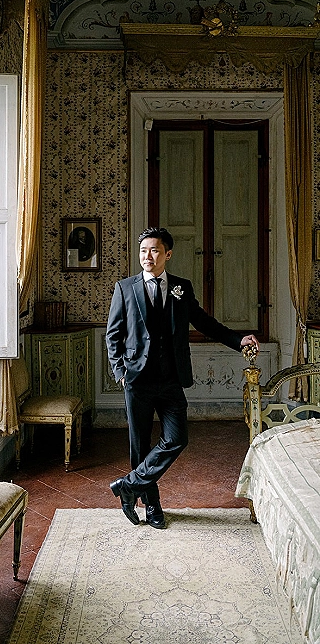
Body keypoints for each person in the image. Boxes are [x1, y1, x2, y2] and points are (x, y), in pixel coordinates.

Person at [106, 226, 259, 530]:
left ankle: (129, 486)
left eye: (154, 250)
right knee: (140, 446)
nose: (147, 256)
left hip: (171, 378)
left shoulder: (181, 288)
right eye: (143, 251)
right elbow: (113, 335)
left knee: (177, 438)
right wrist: (120, 372)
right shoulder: (125, 288)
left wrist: (237, 339)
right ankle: (152, 506)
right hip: (136, 380)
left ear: (167, 254)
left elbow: (204, 322)